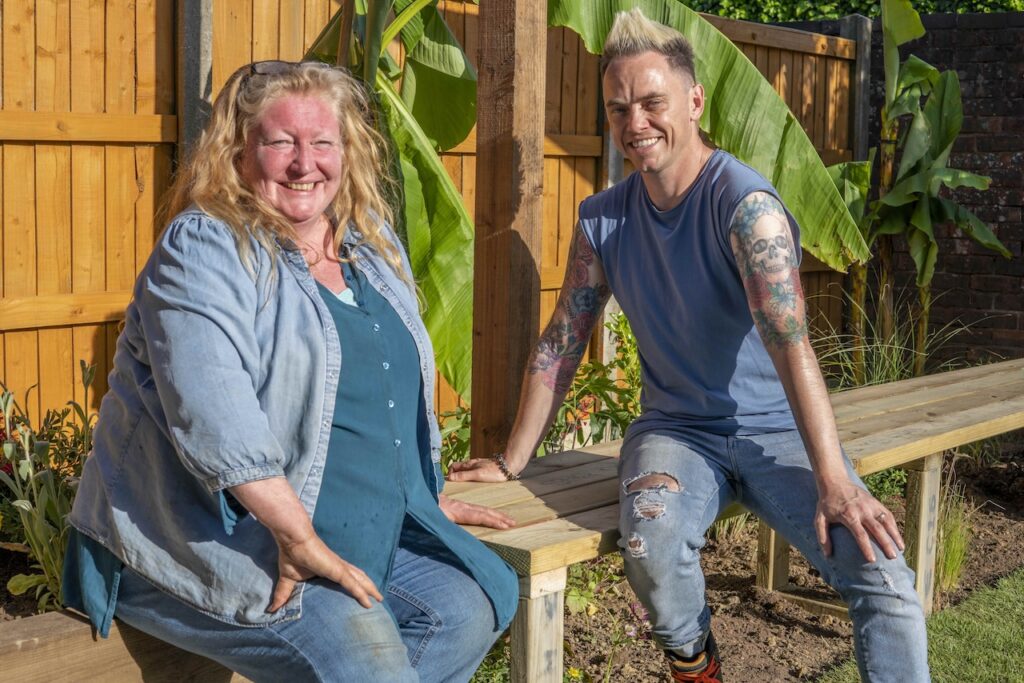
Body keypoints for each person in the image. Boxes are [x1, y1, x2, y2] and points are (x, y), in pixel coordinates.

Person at [449, 9, 930, 683]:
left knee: (882, 573)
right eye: (618, 109)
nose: (634, 122)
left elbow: (792, 345)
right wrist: (510, 459)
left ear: (695, 101)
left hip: (779, 432)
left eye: (652, 102)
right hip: (676, 431)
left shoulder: (744, 207)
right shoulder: (603, 219)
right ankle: (697, 663)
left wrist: (835, 482)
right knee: (650, 542)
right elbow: (562, 342)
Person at [63, 60, 519, 683]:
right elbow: (214, 414)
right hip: (210, 537)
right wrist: (297, 538)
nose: (305, 163)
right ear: (238, 152)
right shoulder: (205, 246)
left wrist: (417, 487)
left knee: (468, 605)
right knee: (369, 661)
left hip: (349, 524)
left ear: (346, 150)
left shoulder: (369, 240)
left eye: (322, 142)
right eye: (280, 142)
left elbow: (392, 386)